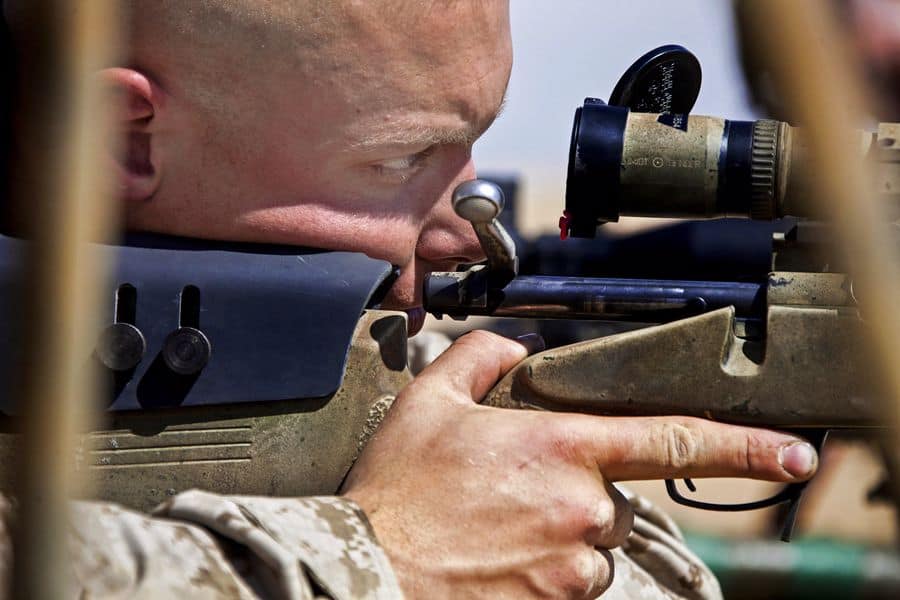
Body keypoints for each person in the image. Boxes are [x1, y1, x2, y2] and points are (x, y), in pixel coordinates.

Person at [2, 1, 820, 598]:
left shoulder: (383, 365)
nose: (468, 231)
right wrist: (380, 555)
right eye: (401, 161)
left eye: (469, 147)